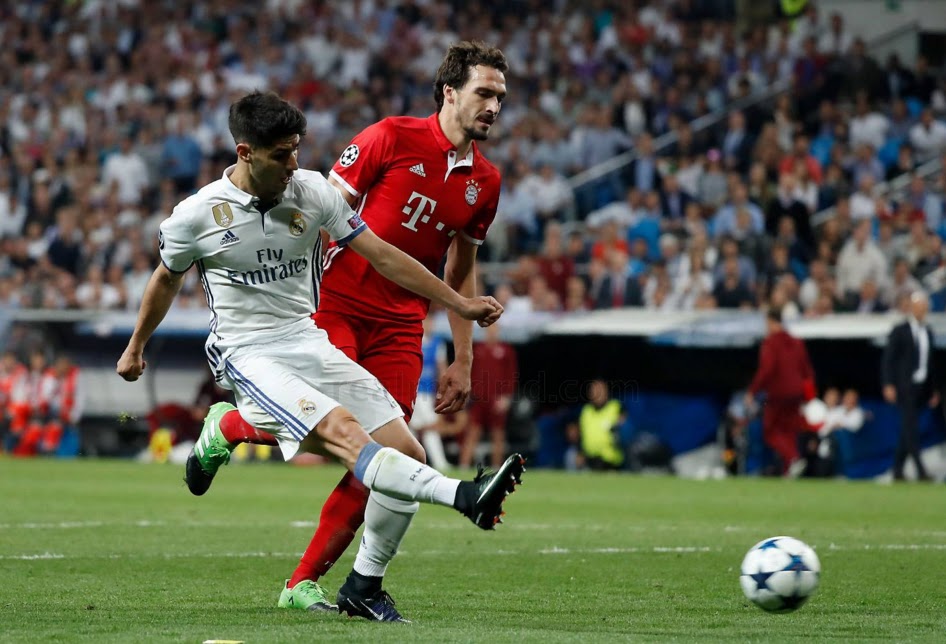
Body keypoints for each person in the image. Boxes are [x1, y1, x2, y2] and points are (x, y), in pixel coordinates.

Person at [116, 90, 524, 623]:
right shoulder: (196, 215)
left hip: (306, 339)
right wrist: (136, 346)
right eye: (282, 154)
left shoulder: (311, 193)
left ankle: (364, 587)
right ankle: (465, 496)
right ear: (245, 153)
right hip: (248, 353)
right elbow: (165, 280)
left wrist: (458, 304)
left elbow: (383, 255)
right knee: (345, 433)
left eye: (296, 150)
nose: (294, 163)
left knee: (408, 450)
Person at [745, 307, 816, 476]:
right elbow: (807, 371)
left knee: (770, 431)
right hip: (797, 393)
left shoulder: (770, 343)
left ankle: (793, 458)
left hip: (778, 394)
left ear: (770, 322)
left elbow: (766, 370)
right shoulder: (797, 342)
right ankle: (789, 470)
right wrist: (809, 395)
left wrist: (752, 391)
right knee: (790, 431)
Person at [882, 291, 939, 481]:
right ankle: (921, 471)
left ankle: (897, 470)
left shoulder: (928, 332)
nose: (922, 310)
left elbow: (930, 364)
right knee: (911, 428)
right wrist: (888, 383)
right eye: (919, 307)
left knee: (907, 429)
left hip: (921, 389)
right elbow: (889, 359)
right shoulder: (900, 330)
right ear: (912, 308)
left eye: (924, 307)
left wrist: (933, 390)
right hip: (904, 387)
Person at [459, 321, 518, 469]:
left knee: (497, 435)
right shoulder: (477, 349)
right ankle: (464, 466)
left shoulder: (506, 350)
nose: (492, 332)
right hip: (479, 399)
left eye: (494, 329)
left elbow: (511, 375)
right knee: (472, 432)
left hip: (497, 400)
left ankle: (497, 467)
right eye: (489, 329)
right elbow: (470, 372)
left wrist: (506, 398)